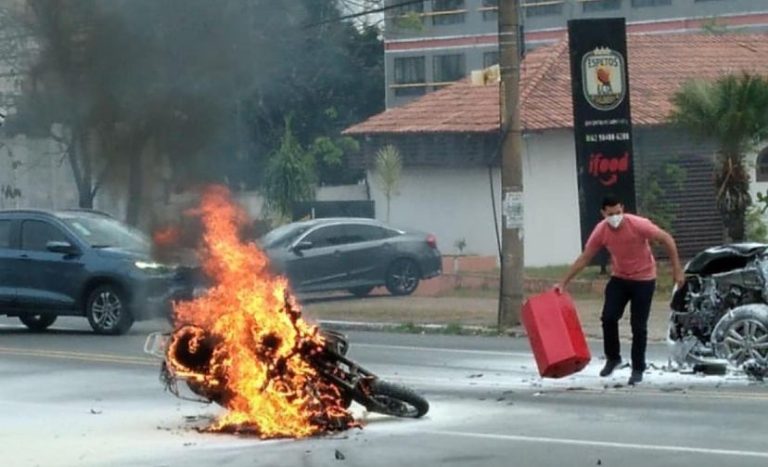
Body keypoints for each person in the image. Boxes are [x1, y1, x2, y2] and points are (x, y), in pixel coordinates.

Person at [555, 195, 684, 385]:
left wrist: (677, 269)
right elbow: (586, 257)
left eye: (618, 212)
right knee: (608, 317)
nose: (615, 217)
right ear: (603, 213)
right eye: (610, 214)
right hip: (620, 277)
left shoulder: (638, 224)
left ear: (622, 209)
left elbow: (667, 239)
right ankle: (613, 358)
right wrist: (563, 282)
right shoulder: (601, 230)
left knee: (638, 326)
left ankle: (638, 367)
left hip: (644, 278)